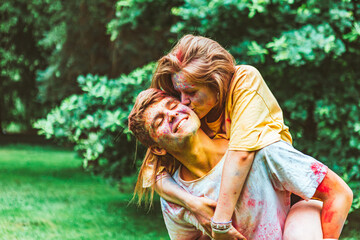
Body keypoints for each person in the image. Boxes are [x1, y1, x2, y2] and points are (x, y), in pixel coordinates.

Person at [146, 34, 346, 239]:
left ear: (215, 82)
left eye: (191, 92)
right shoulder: (191, 115)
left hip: (287, 195)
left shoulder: (244, 82)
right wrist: (193, 204)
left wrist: (220, 224)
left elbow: (242, 154)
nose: (183, 102)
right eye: (179, 93)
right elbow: (151, 174)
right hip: (246, 209)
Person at [128, 88, 353, 240]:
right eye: (159, 121)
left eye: (172, 105)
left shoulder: (260, 149)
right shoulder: (175, 197)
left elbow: (338, 193)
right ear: (157, 148)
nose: (172, 115)